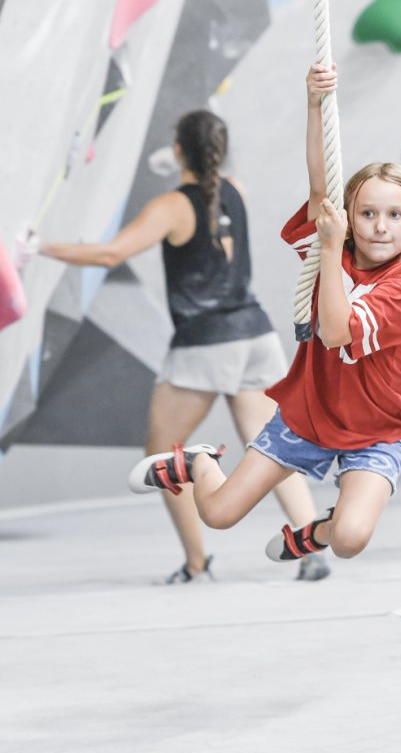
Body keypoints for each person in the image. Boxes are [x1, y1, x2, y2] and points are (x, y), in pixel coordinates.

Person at [127, 64, 401, 564]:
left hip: (378, 428)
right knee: (218, 513)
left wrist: (333, 243)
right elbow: (321, 185)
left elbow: (337, 331)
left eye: (394, 216)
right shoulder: (332, 246)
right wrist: (316, 105)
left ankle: (316, 532)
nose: (380, 227)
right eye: (367, 214)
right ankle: (199, 462)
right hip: (310, 416)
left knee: (350, 539)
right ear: (352, 216)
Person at [30, 109, 330, 583]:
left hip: (206, 344)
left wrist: (42, 246)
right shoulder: (238, 191)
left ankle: (196, 562)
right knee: (272, 449)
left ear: (178, 152)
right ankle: (311, 548)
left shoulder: (172, 206)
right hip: (256, 336)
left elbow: (111, 253)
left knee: (161, 452)